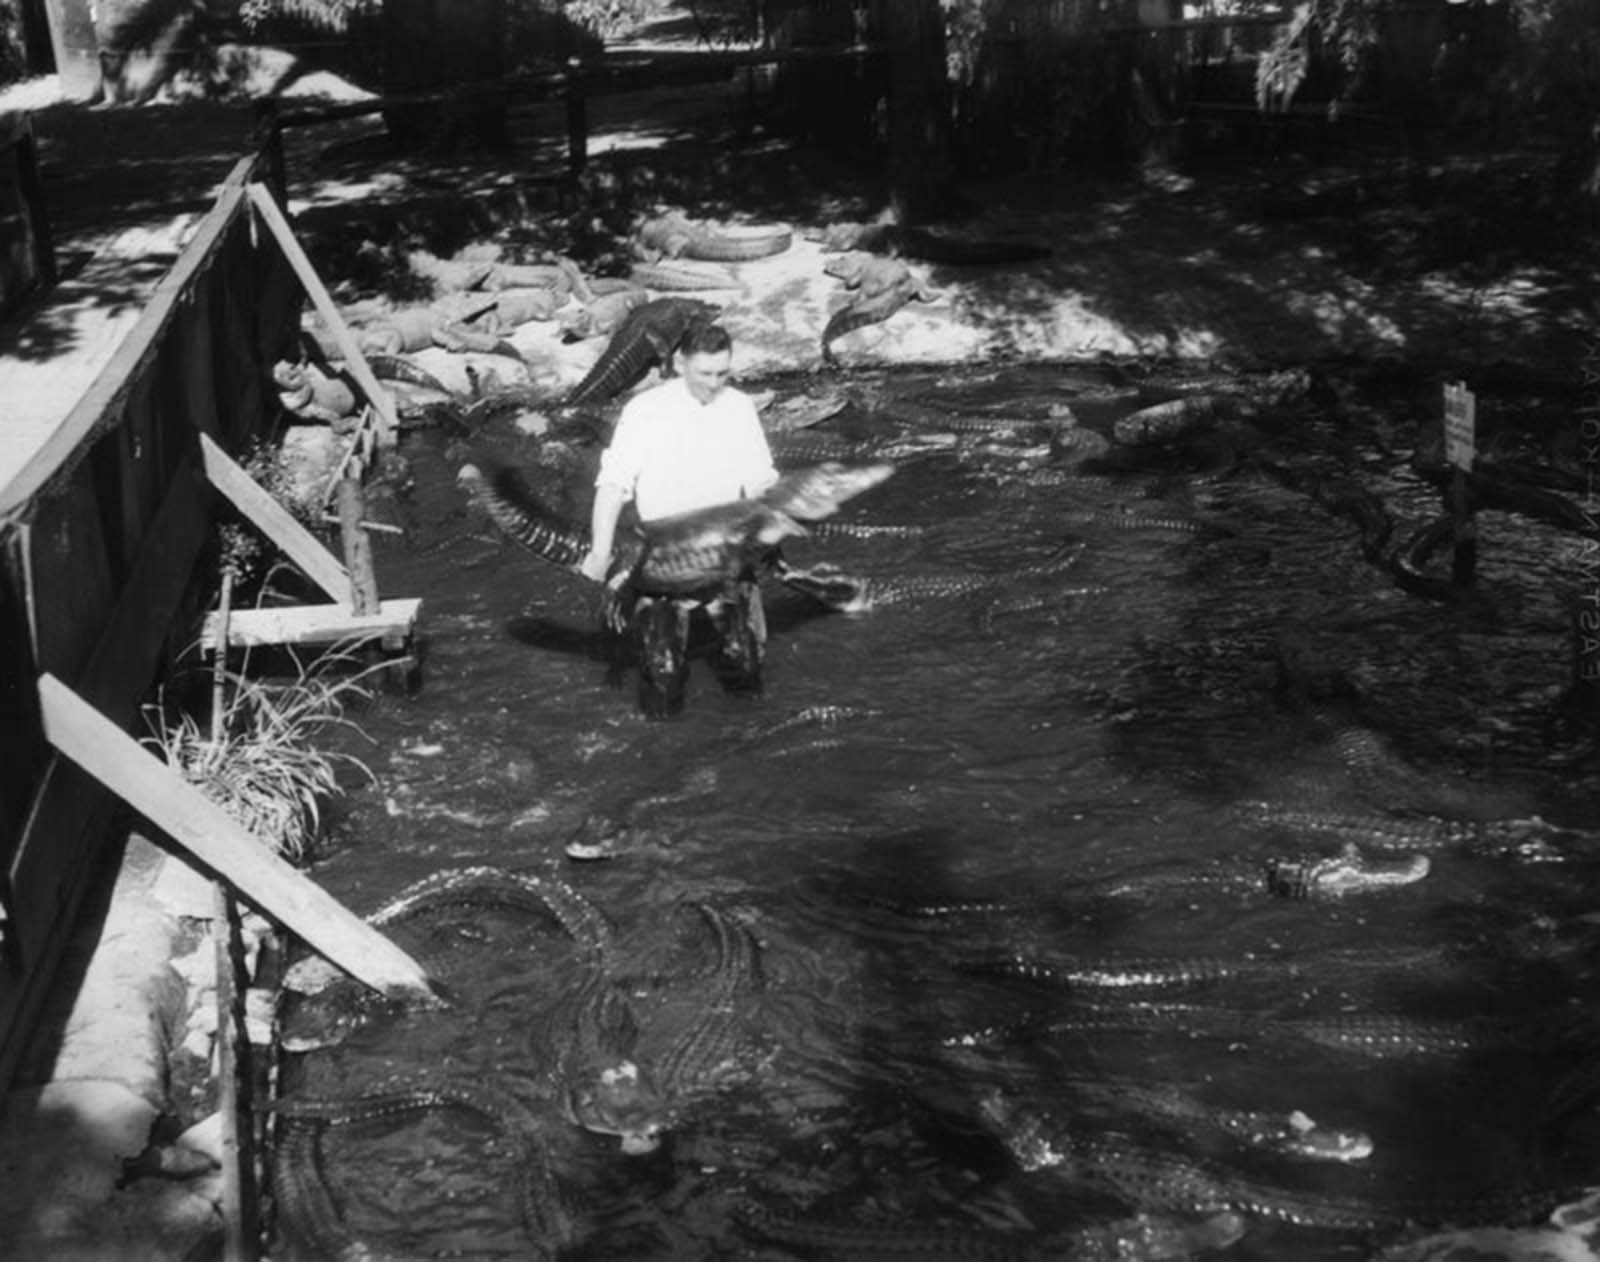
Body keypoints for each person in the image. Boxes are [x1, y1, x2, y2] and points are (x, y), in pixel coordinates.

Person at [579, 322, 780, 717]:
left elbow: (759, 479)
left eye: (723, 373)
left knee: (744, 665)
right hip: (661, 558)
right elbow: (614, 484)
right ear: (679, 363)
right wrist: (601, 552)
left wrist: (768, 524)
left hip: (725, 553)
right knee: (663, 675)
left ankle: (746, 746)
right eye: (705, 374)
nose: (714, 384)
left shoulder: (739, 406)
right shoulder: (645, 410)